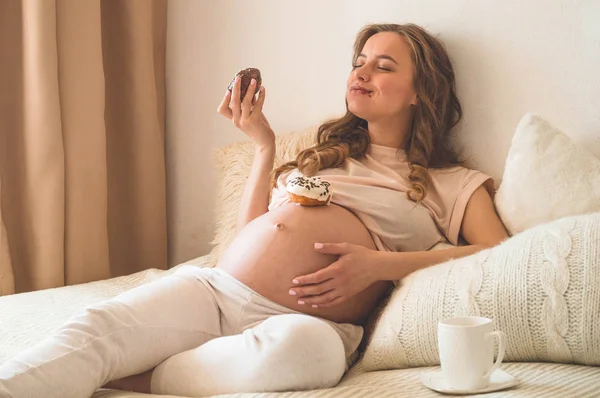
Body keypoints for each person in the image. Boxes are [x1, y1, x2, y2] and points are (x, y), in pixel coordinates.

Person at [0, 23, 508, 398]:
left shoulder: (451, 183)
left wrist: (380, 266)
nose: (362, 71)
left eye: (384, 65)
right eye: (360, 60)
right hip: (219, 292)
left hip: (313, 324)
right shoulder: (321, 157)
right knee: (94, 327)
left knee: (308, 355)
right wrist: (263, 147)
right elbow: (250, 236)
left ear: (421, 92)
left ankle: (142, 376)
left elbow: (498, 253)